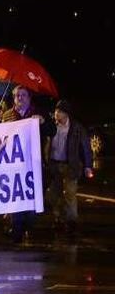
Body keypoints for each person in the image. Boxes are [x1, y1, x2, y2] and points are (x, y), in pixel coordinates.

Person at [0, 85, 44, 243]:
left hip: (32, 165)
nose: (19, 98)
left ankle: (27, 226)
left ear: (29, 97)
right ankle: (16, 231)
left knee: (31, 203)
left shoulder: (36, 115)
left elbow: (51, 131)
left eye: (22, 95)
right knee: (16, 200)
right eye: (16, 95)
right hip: (13, 167)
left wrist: (44, 122)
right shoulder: (6, 115)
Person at [45, 100, 93, 236]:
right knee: (54, 194)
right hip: (54, 165)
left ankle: (71, 222)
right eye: (56, 111)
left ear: (66, 114)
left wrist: (88, 166)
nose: (56, 114)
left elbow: (85, 148)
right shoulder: (52, 126)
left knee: (70, 194)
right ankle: (58, 218)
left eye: (59, 112)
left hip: (70, 166)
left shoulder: (77, 128)